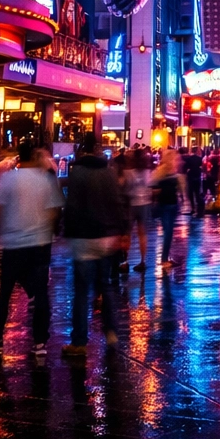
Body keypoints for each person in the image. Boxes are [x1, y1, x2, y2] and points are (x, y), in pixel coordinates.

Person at [0, 141, 63, 358]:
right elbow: (55, 211)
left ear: (19, 158)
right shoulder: (46, 180)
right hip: (40, 243)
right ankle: (40, 343)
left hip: (14, 243)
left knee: (5, 293)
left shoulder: (9, 178)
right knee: (40, 293)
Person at [62, 134, 128, 357]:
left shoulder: (78, 173)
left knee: (81, 291)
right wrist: (122, 230)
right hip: (106, 236)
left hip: (83, 237)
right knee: (106, 285)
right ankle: (111, 331)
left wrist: (67, 230)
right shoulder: (108, 172)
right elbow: (117, 203)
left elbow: (72, 206)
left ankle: (79, 342)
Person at [124, 148, 154, 271]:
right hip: (145, 204)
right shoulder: (148, 172)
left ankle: (125, 261)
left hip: (131, 204)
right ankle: (142, 260)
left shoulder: (128, 172)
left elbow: (126, 188)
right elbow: (150, 186)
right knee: (143, 234)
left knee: (127, 233)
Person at [153, 149, 183, 270]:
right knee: (168, 232)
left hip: (172, 204)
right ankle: (164, 259)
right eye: (175, 159)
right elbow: (153, 188)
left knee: (169, 233)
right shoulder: (161, 172)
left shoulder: (173, 172)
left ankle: (166, 257)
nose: (177, 161)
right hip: (165, 205)